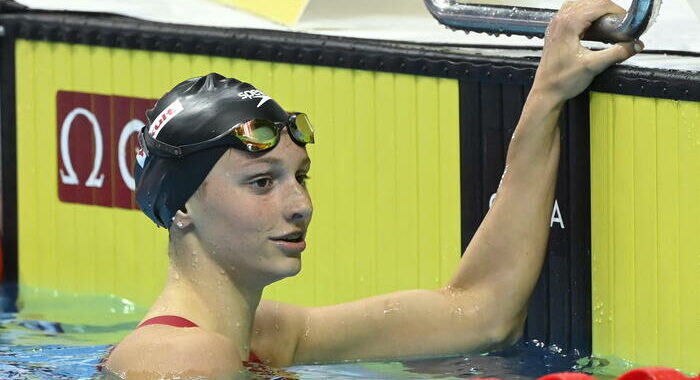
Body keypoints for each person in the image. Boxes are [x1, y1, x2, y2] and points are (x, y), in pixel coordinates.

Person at [100, 0, 644, 378]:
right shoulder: (182, 359)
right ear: (182, 207)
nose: (300, 205)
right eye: (261, 182)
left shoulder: (266, 336)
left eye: (300, 176)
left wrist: (546, 94)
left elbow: (483, 313)